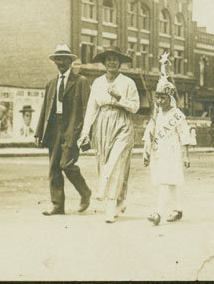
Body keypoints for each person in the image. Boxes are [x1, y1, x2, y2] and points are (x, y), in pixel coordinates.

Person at [78, 46, 139, 223]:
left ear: (120, 63)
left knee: (116, 163)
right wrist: (85, 132)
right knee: (104, 162)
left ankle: (110, 205)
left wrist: (120, 98)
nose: (112, 62)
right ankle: (119, 200)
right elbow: (92, 108)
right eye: (108, 59)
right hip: (103, 124)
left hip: (122, 123)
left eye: (115, 59)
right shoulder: (97, 83)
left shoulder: (128, 83)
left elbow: (135, 107)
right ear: (104, 62)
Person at [35, 44, 92, 216]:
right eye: (58, 59)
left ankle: (85, 192)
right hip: (54, 129)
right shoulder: (51, 84)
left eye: (64, 59)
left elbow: (87, 109)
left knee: (66, 164)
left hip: (72, 128)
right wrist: (39, 132)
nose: (61, 62)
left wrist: (86, 132)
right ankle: (57, 205)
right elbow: (45, 109)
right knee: (54, 167)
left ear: (70, 61)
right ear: (55, 62)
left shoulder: (80, 82)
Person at [143, 79, 192, 226]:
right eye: (157, 97)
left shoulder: (177, 114)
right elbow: (149, 135)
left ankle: (158, 213)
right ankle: (178, 210)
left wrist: (186, 155)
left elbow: (184, 135)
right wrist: (146, 153)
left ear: (170, 98)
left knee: (165, 181)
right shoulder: (156, 115)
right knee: (169, 182)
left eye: (163, 97)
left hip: (172, 152)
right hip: (158, 152)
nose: (160, 100)